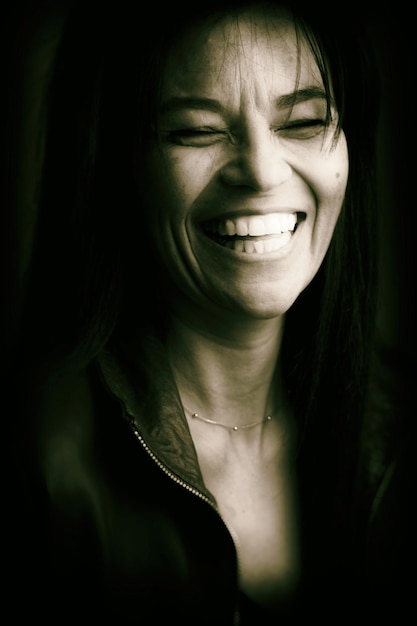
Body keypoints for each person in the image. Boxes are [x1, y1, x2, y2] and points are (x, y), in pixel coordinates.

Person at [9, 0, 412, 623]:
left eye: (303, 121)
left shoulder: (403, 424)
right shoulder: (35, 460)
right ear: (122, 169)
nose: (259, 170)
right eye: (196, 131)